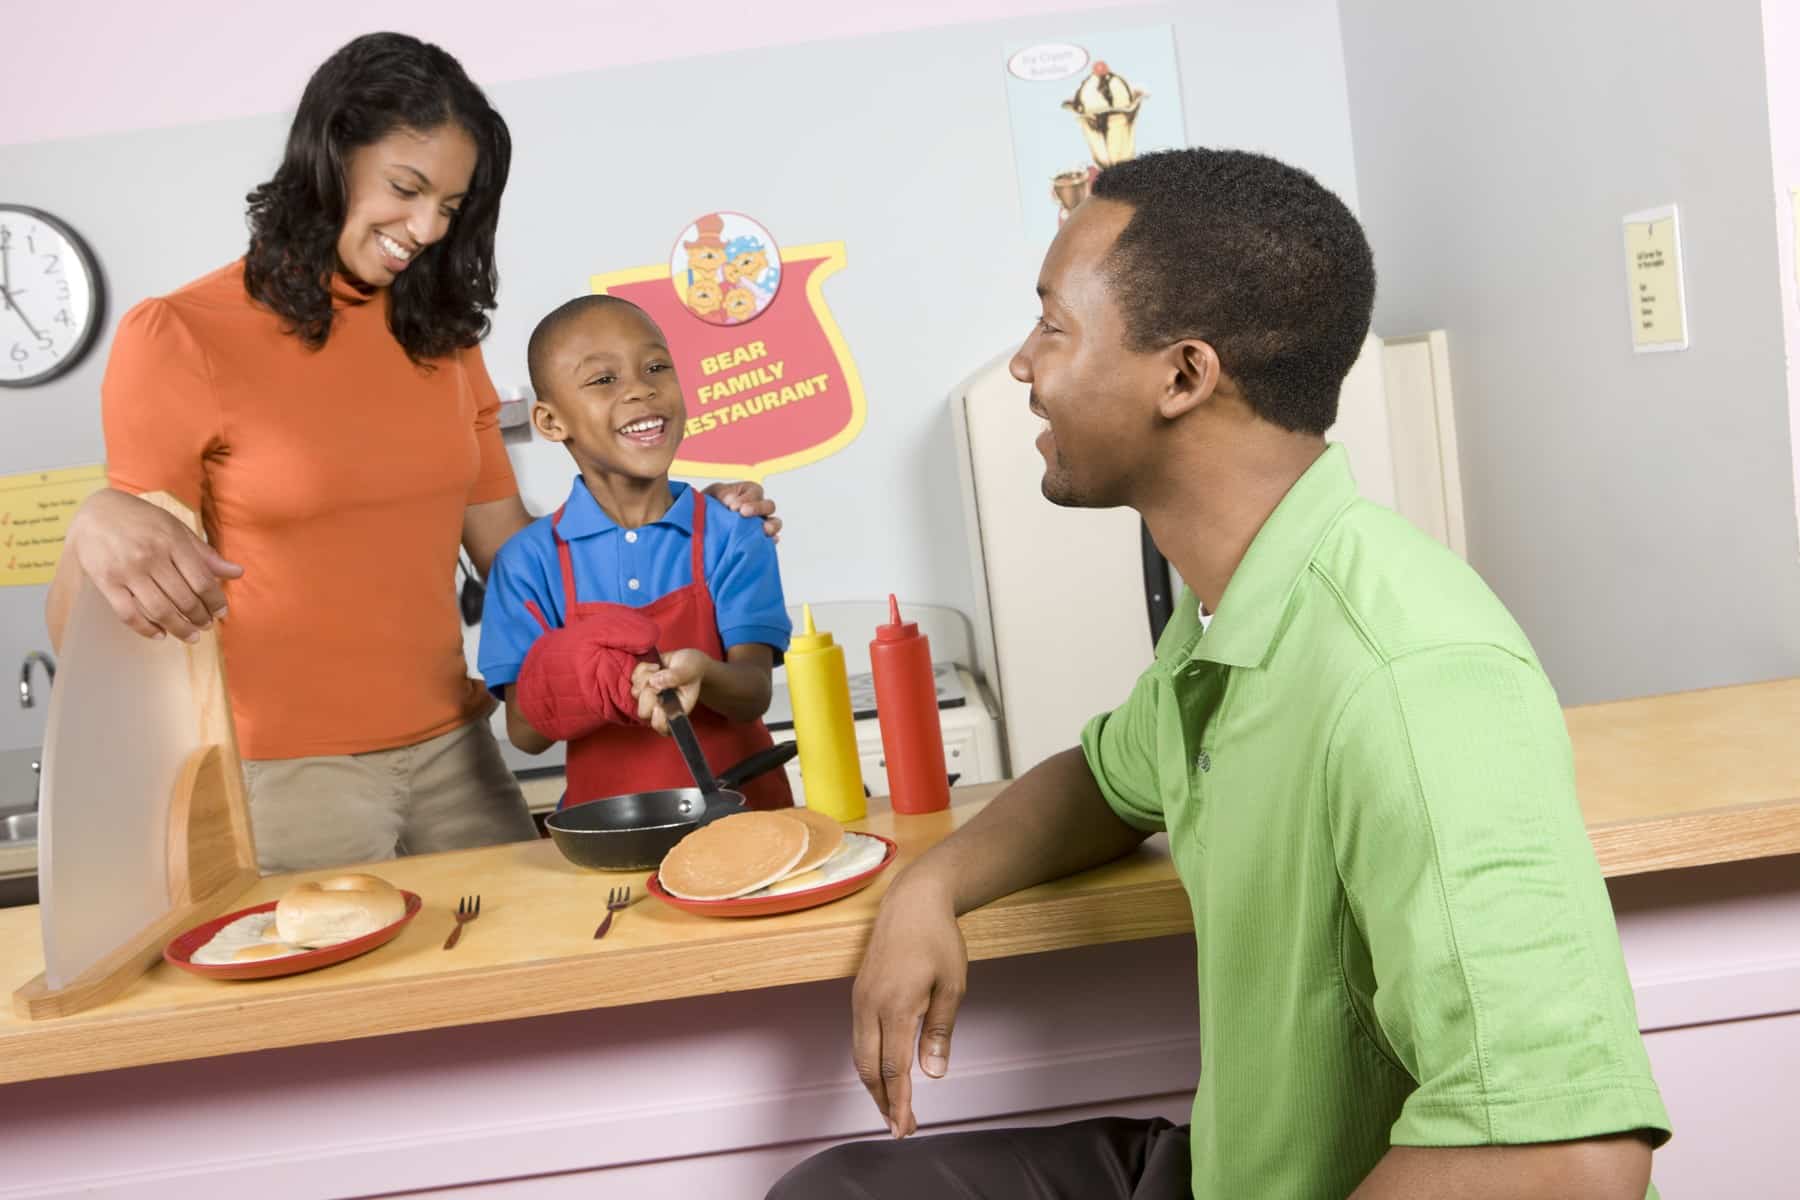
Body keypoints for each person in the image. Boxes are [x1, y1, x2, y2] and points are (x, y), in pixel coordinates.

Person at [769, 148, 1669, 1199]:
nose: (1021, 365)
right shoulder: (1237, 610)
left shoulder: (1414, 677)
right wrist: (932, 886)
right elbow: (1108, 780)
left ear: (1184, 376)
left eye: (1053, 324)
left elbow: (1571, 1160)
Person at [45, 33, 778, 872]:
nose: (427, 228)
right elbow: (114, 615)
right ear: (330, 155)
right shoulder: (180, 336)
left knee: (531, 948)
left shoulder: (441, 339)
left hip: (457, 753)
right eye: (406, 188)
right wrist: (95, 522)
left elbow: (518, 558)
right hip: (285, 775)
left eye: (451, 207)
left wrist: (688, 525)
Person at [478, 295, 793, 810]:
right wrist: (591, 679)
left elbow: (753, 693)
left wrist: (703, 672)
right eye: (604, 379)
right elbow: (526, 734)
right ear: (551, 422)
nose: (641, 389)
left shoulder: (733, 533)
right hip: (610, 834)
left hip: (745, 818)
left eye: (656, 368)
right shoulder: (526, 564)